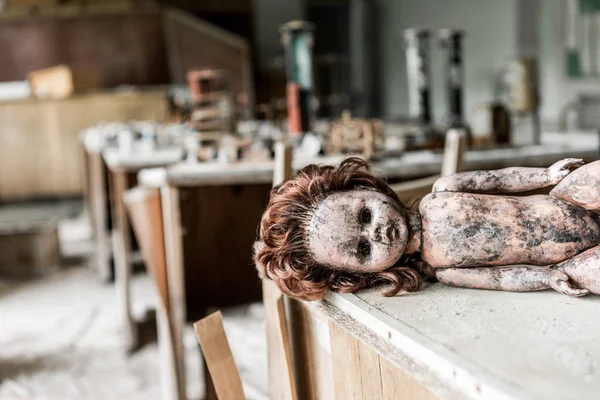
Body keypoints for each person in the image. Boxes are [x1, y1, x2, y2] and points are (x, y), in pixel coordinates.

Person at [255, 157, 600, 301]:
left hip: (567, 201)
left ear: (366, 187)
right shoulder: (446, 270)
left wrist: (546, 176)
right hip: (570, 261)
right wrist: (546, 278)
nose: (375, 233)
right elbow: (501, 277)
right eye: (363, 250)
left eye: (364, 216)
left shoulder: (443, 191)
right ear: (362, 275)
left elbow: (500, 180)